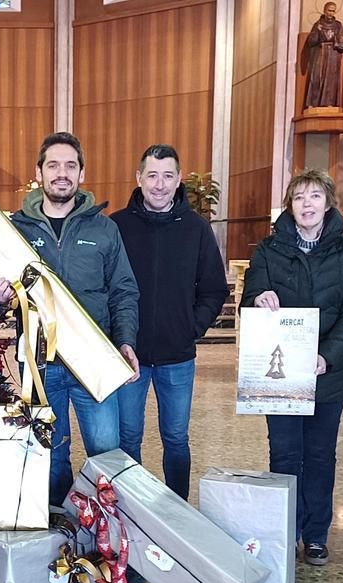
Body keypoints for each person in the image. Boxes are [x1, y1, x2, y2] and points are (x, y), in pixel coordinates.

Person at [0, 132, 140, 509]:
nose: (62, 173)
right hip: (42, 366)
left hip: (94, 362)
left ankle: (107, 543)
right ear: (38, 173)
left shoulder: (104, 229)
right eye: (53, 165)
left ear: (82, 173)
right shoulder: (15, 231)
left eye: (70, 165)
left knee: (106, 455)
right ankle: (59, 540)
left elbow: (124, 291)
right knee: (51, 459)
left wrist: (125, 341)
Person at [241, 168, 343, 566]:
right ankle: (286, 530)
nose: (307, 204)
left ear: (329, 203)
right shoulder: (267, 250)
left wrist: (327, 355)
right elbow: (251, 298)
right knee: (283, 455)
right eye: (299, 197)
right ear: (290, 205)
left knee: (319, 455)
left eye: (315, 196)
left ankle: (316, 534)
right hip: (279, 373)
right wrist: (258, 298)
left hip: (326, 372)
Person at [111, 144, 228, 501]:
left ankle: (178, 509)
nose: (159, 184)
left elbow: (214, 288)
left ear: (179, 180)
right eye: (152, 175)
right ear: (138, 178)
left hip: (177, 357)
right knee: (127, 437)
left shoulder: (196, 229)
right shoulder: (117, 226)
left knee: (176, 437)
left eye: (167, 176)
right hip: (128, 356)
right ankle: (130, 509)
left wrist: (190, 327)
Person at [302, 1, 343, 109]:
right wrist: (318, 33)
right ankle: (313, 103)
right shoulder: (318, 24)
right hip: (320, 52)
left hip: (333, 53)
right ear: (324, 11)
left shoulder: (338, 25)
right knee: (317, 76)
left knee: (331, 78)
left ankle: (329, 103)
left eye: (333, 11)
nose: (331, 13)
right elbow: (311, 41)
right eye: (329, 10)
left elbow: (341, 41)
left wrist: (339, 40)